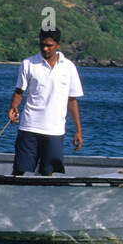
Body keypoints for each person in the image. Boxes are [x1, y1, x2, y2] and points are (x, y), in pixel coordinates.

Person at [8, 29, 84, 175]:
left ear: (58, 45)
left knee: (49, 173)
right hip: (29, 127)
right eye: (42, 45)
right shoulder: (28, 63)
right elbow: (19, 91)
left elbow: (72, 100)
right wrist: (13, 107)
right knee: (20, 171)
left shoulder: (69, 67)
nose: (45, 48)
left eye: (49, 45)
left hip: (55, 130)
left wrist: (78, 130)